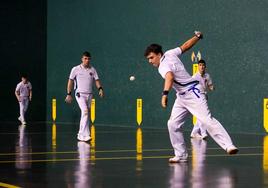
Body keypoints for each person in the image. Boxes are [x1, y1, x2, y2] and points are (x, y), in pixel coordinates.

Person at [144, 31, 238, 163]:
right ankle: (181, 155)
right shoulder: (171, 53)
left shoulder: (163, 66)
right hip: (182, 97)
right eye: (148, 59)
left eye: (151, 57)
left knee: (206, 119)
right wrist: (197, 37)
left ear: (159, 54)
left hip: (193, 93)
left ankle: (229, 145)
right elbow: (186, 46)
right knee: (173, 124)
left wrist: (164, 94)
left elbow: (170, 77)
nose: (150, 61)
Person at [65, 51, 104, 142]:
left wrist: (100, 89)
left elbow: (97, 80)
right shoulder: (75, 69)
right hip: (79, 94)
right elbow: (70, 81)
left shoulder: (92, 70)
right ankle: (81, 134)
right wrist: (69, 94)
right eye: (85, 59)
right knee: (85, 111)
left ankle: (85, 134)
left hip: (89, 94)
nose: (87, 60)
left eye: (88, 59)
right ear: (82, 59)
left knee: (86, 113)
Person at [190, 59, 214, 139]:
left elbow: (210, 85)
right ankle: (203, 133)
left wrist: (212, 88)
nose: (202, 67)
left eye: (203, 65)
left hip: (204, 96)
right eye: (200, 65)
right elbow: (191, 89)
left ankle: (194, 133)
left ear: (205, 66)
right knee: (202, 115)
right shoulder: (194, 77)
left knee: (201, 115)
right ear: (198, 67)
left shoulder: (207, 76)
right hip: (196, 97)